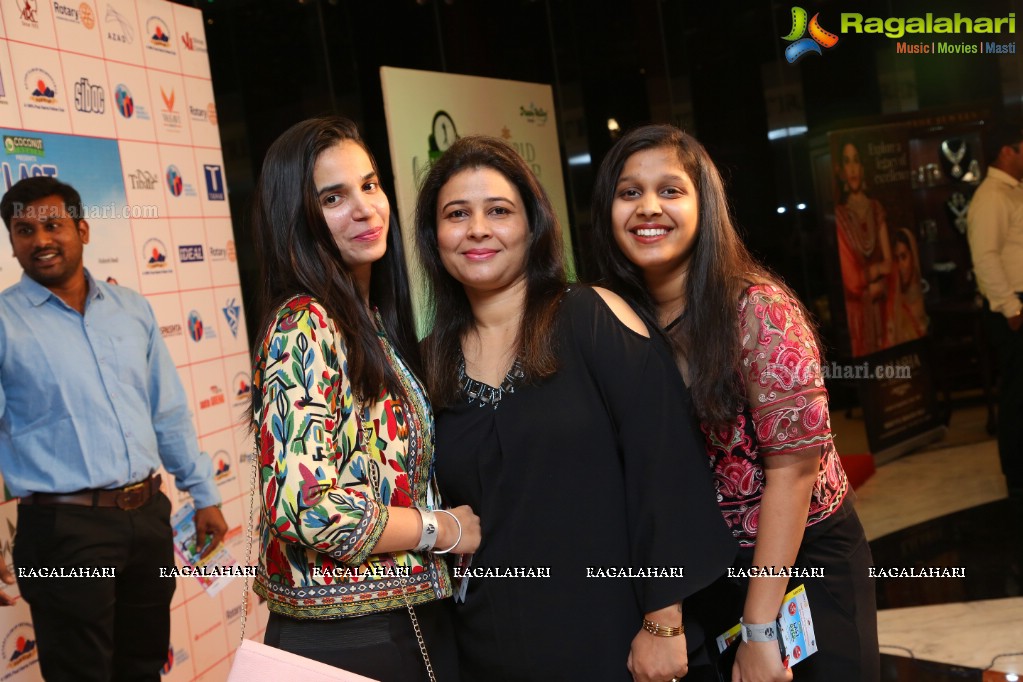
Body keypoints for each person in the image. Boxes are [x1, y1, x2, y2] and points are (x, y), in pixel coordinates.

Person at [414, 135, 736, 682]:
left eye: (499, 211)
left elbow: (665, 469)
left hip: (619, 640)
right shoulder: (428, 363)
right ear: (434, 236)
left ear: (533, 225)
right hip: (490, 648)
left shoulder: (589, 317)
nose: (478, 229)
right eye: (457, 214)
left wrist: (663, 621)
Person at [589, 124, 879, 682]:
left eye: (671, 190)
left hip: (801, 561)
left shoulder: (757, 310)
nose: (649, 208)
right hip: (704, 572)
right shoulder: (614, 321)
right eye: (630, 193)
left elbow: (793, 473)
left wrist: (761, 628)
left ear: (704, 205)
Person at [249, 115, 481, 682]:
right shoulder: (303, 323)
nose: (364, 208)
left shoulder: (366, 321)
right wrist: (441, 528)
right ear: (297, 218)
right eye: (333, 197)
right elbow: (306, 507)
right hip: (350, 643)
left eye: (369, 185)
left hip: (399, 626)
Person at [0, 176, 228, 682]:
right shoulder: (4, 322)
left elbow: (166, 411)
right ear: (12, 242)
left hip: (147, 518)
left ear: (82, 229)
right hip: (63, 532)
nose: (39, 241)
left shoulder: (132, 310)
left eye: (52, 225)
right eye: (22, 230)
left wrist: (203, 493)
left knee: (143, 667)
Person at [967, 121, 1023, 498]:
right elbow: (984, 258)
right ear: (1008, 151)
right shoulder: (991, 196)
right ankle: (1017, 480)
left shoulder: (1012, 191)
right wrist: (1011, 307)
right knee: (1017, 395)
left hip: (1015, 301)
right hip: (1011, 307)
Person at [835, 140, 893, 356]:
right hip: (857, 315)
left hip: (881, 309)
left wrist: (872, 275)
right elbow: (851, 281)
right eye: (847, 162)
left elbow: (890, 264)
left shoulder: (876, 209)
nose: (852, 168)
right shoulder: (840, 216)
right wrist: (875, 274)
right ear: (841, 171)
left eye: (856, 161)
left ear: (862, 167)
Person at [890, 227, 928, 344]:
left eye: (904, 257)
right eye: (896, 259)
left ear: (913, 256)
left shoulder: (925, 299)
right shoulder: (894, 303)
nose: (900, 266)